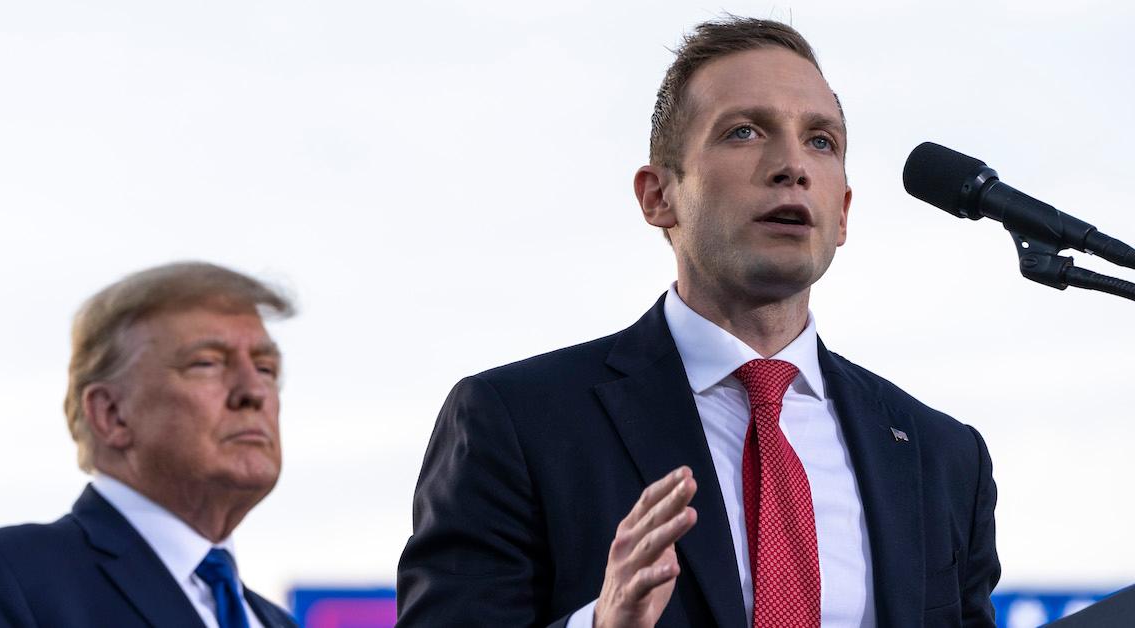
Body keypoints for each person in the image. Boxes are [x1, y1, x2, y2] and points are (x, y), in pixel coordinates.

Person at [397, 16, 1000, 628]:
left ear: (842, 212)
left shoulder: (943, 457)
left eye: (821, 141)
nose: (792, 165)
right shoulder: (514, 421)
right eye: (743, 131)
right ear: (658, 196)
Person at [0, 262, 298, 628]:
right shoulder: (5, 578)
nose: (254, 392)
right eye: (206, 363)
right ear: (111, 414)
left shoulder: (278, 622)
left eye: (266, 368)